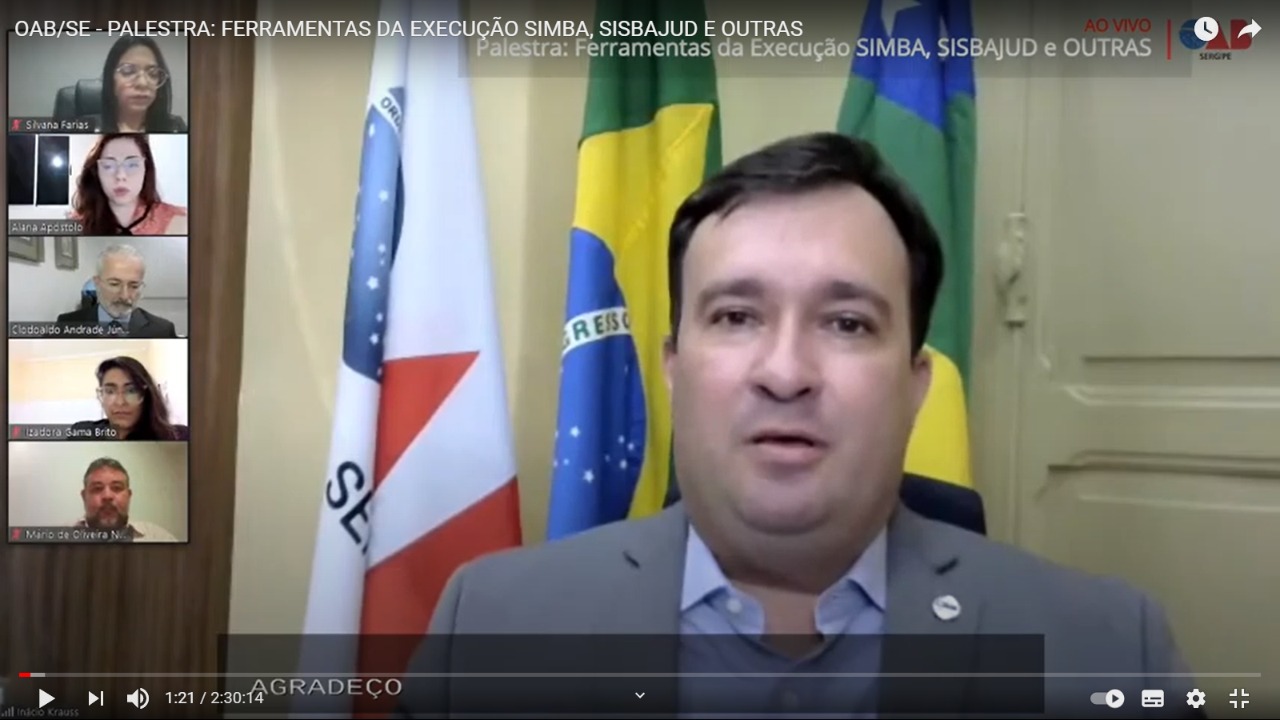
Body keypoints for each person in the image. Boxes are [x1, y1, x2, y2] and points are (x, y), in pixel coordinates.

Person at [398, 134, 1201, 718]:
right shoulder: (490, 627)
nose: (785, 372)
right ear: (674, 367)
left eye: (847, 323)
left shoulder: (1110, 651)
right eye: (736, 315)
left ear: (915, 385)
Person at [68, 133, 188, 236]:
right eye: (108, 166)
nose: (120, 176)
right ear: (97, 172)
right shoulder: (76, 225)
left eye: (132, 165)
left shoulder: (178, 223)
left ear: (146, 169)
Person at [55, 244, 179, 338]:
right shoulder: (66, 323)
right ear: (97, 283)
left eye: (134, 286)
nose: (124, 296)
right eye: (114, 284)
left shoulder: (163, 330)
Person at [67, 356, 189, 441]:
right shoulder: (82, 433)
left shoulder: (177, 436)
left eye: (131, 391)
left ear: (146, 394)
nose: (120, 402)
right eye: (110, 391)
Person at [81, 37, 187, 133]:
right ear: (110, 79)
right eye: (128, 71)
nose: (143, 83)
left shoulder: (175, 127)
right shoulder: (85, 127)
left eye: (153, 73)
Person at [74, 456, 178, 542]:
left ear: (129, 496)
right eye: (97, 488)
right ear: (84, 497)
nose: (107, 496)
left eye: (117, 488)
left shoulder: (159, 538)